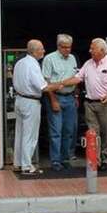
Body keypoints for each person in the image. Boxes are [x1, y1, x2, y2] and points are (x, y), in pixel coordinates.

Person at [62, 38, 107, 171]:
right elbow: (78, 77)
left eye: (92, 48)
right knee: (93, 133)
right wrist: (61, 83)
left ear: (102, 50)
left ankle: (106, 160)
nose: (90, 51)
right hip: (90, 104)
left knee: (106, 133)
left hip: (106, 104)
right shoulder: (88, 64)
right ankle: (95, 160)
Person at [12, 39, 62, 175]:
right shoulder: (33, 65)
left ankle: (17, 163)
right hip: (30, 101)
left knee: (20, 133)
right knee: (30, 135)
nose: (44, 51)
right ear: (34, 51)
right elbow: (43, 86)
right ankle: (27, 166)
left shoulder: (20, 63)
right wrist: (59, 85)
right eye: (42, 49)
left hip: (19, 99)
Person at [42, 34, 79, 171]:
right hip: (55, 96)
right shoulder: (49, 59)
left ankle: (65, 158)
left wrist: (75, 96)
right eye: (64, 47)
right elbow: (46, 82)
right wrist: (53, 100)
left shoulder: (72, 58)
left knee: (69, 130)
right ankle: (56, 161)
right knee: (56, 131)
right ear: (58, 46)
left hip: (70, 97)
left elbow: (76, 77)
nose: (67, 50)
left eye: (69, 47)